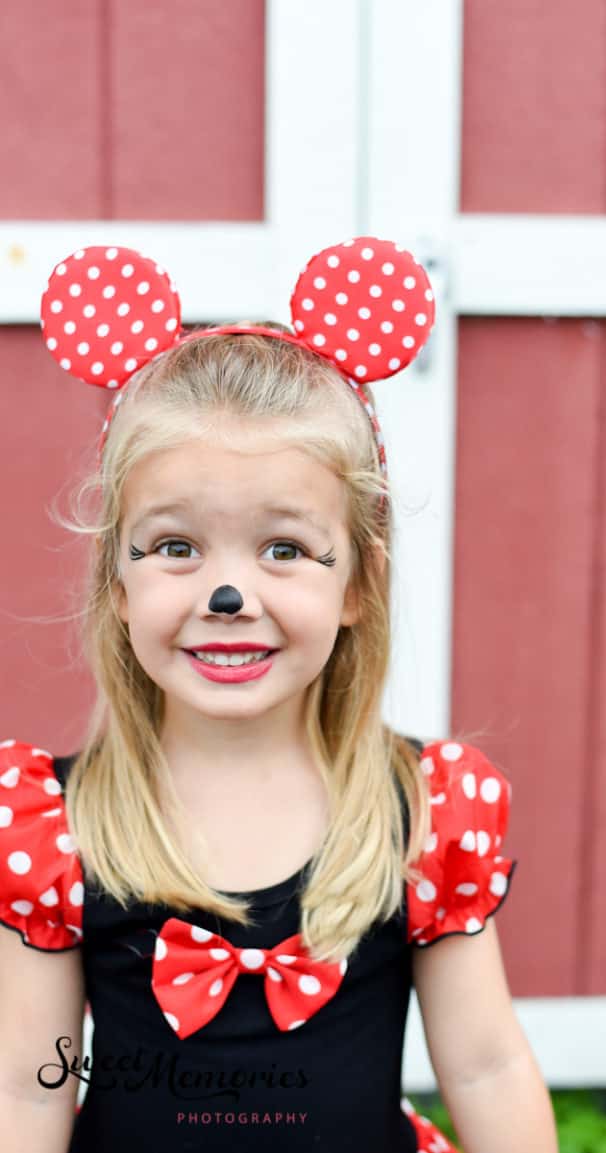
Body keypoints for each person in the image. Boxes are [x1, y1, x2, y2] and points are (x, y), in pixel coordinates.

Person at [0, 239, 558, 1152]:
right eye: (176, 546)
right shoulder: (56, 829)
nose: (230, 598)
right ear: (117, 584)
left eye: (284, 549)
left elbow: (487, 1065)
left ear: (356, 587)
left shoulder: (421, 812)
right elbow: (27, 1090)